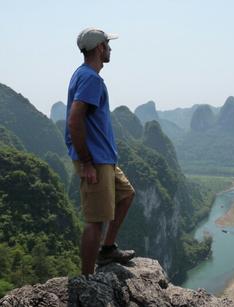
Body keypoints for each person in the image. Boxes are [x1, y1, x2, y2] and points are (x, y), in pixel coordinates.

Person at [65, 27, 135, 276]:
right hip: (94, 160)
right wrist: (86, 162)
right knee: (95, 220)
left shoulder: (83, 74)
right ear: (99, 48)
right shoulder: (90, 79)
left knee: (126, 194)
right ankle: (87, 278)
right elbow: (74, 120)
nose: (110, 48)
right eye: (107, 44)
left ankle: (107, 249)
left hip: (104, 158)